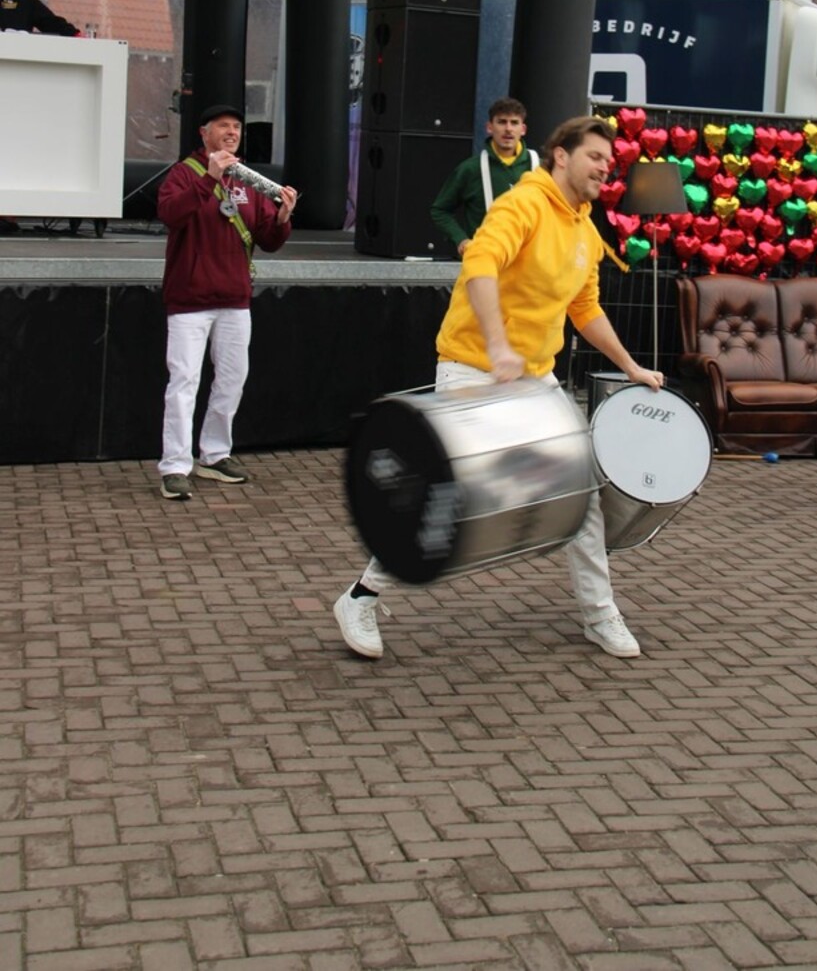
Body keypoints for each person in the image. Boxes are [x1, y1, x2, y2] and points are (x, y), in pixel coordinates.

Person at [335, 114, 663, 661]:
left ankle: (600, 613)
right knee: (454, 495)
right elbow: (480, 267)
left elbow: (584, 308)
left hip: (533, 378)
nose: (605, 168)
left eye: (609, 161)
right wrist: (498, 344)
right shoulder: (522, 204)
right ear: (561, 156)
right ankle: (360, 598)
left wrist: (630, 367)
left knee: (577, 494)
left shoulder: (585, 230)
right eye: (595, 157)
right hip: (473, 366)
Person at [156, 103, 299, 501]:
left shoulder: (249, 181)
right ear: (204, 133)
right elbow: (170, 214)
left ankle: (215, 455)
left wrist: (283, 218)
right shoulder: (184, 174)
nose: (232, 132)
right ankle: (175, 466)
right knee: (184, 382)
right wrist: (210, 179)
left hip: (235, 299)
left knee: (232, 379)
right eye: (223, 126)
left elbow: (267, 240)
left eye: (236, 126)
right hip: (190, 298)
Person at [430, 97, 538, 256]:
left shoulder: (540, 167)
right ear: (489, 127)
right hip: (485, 260)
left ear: (523, 129)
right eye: (502, 122)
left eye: (514, 123)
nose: (508, 129)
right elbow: (440, 210)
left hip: (528, 261)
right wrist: (461, 239)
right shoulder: (470, 169)